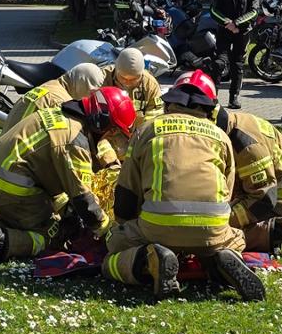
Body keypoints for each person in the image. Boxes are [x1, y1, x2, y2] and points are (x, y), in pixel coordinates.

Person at [105, 72, 264, 301]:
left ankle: (149, 261)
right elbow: (226, 194)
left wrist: (125, 227)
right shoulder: (221, 137)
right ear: (209, 109)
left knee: (112, 248)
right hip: (212, 228)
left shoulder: (148, 130)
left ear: (169, 104)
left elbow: (127, 192)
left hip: (157, 227)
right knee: (235, 239)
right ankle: (221, 258)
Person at [0, 86, 136, 269]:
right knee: (53, 234)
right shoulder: (75, 140)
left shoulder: (60, 114)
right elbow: (83, 199)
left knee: (57, 212)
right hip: (10, 190)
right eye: (113, 132)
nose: (112, 138)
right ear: (101, 122)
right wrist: (107, 231)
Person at [213, 101, 282, 255]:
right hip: (278, 189)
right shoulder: (233, 124)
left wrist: (224, 220)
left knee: (219, 236)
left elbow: (264, 198)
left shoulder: (246, 144)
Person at [209, 0, 261, 108]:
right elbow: (213, 10)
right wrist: (228, 24)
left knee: (237, 65)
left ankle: (234, 98)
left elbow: (254, 11)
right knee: (219, 63)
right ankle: (212, 97)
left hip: (242, 33)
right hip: (224, 32)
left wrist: (237, 24)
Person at [3, 62, 104, 130]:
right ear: (84, 85)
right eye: (91, 92)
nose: (89, 97)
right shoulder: (61, 103)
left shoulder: (50, 85)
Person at [100, 47, 163, 120]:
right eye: (123, 78)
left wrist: (145, 125)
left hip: (139, 126)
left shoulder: (151, 85)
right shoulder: (101, 78)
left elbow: (156, 114)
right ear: (116, 69)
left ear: (141, 74)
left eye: (134, 79)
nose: (127, 82)